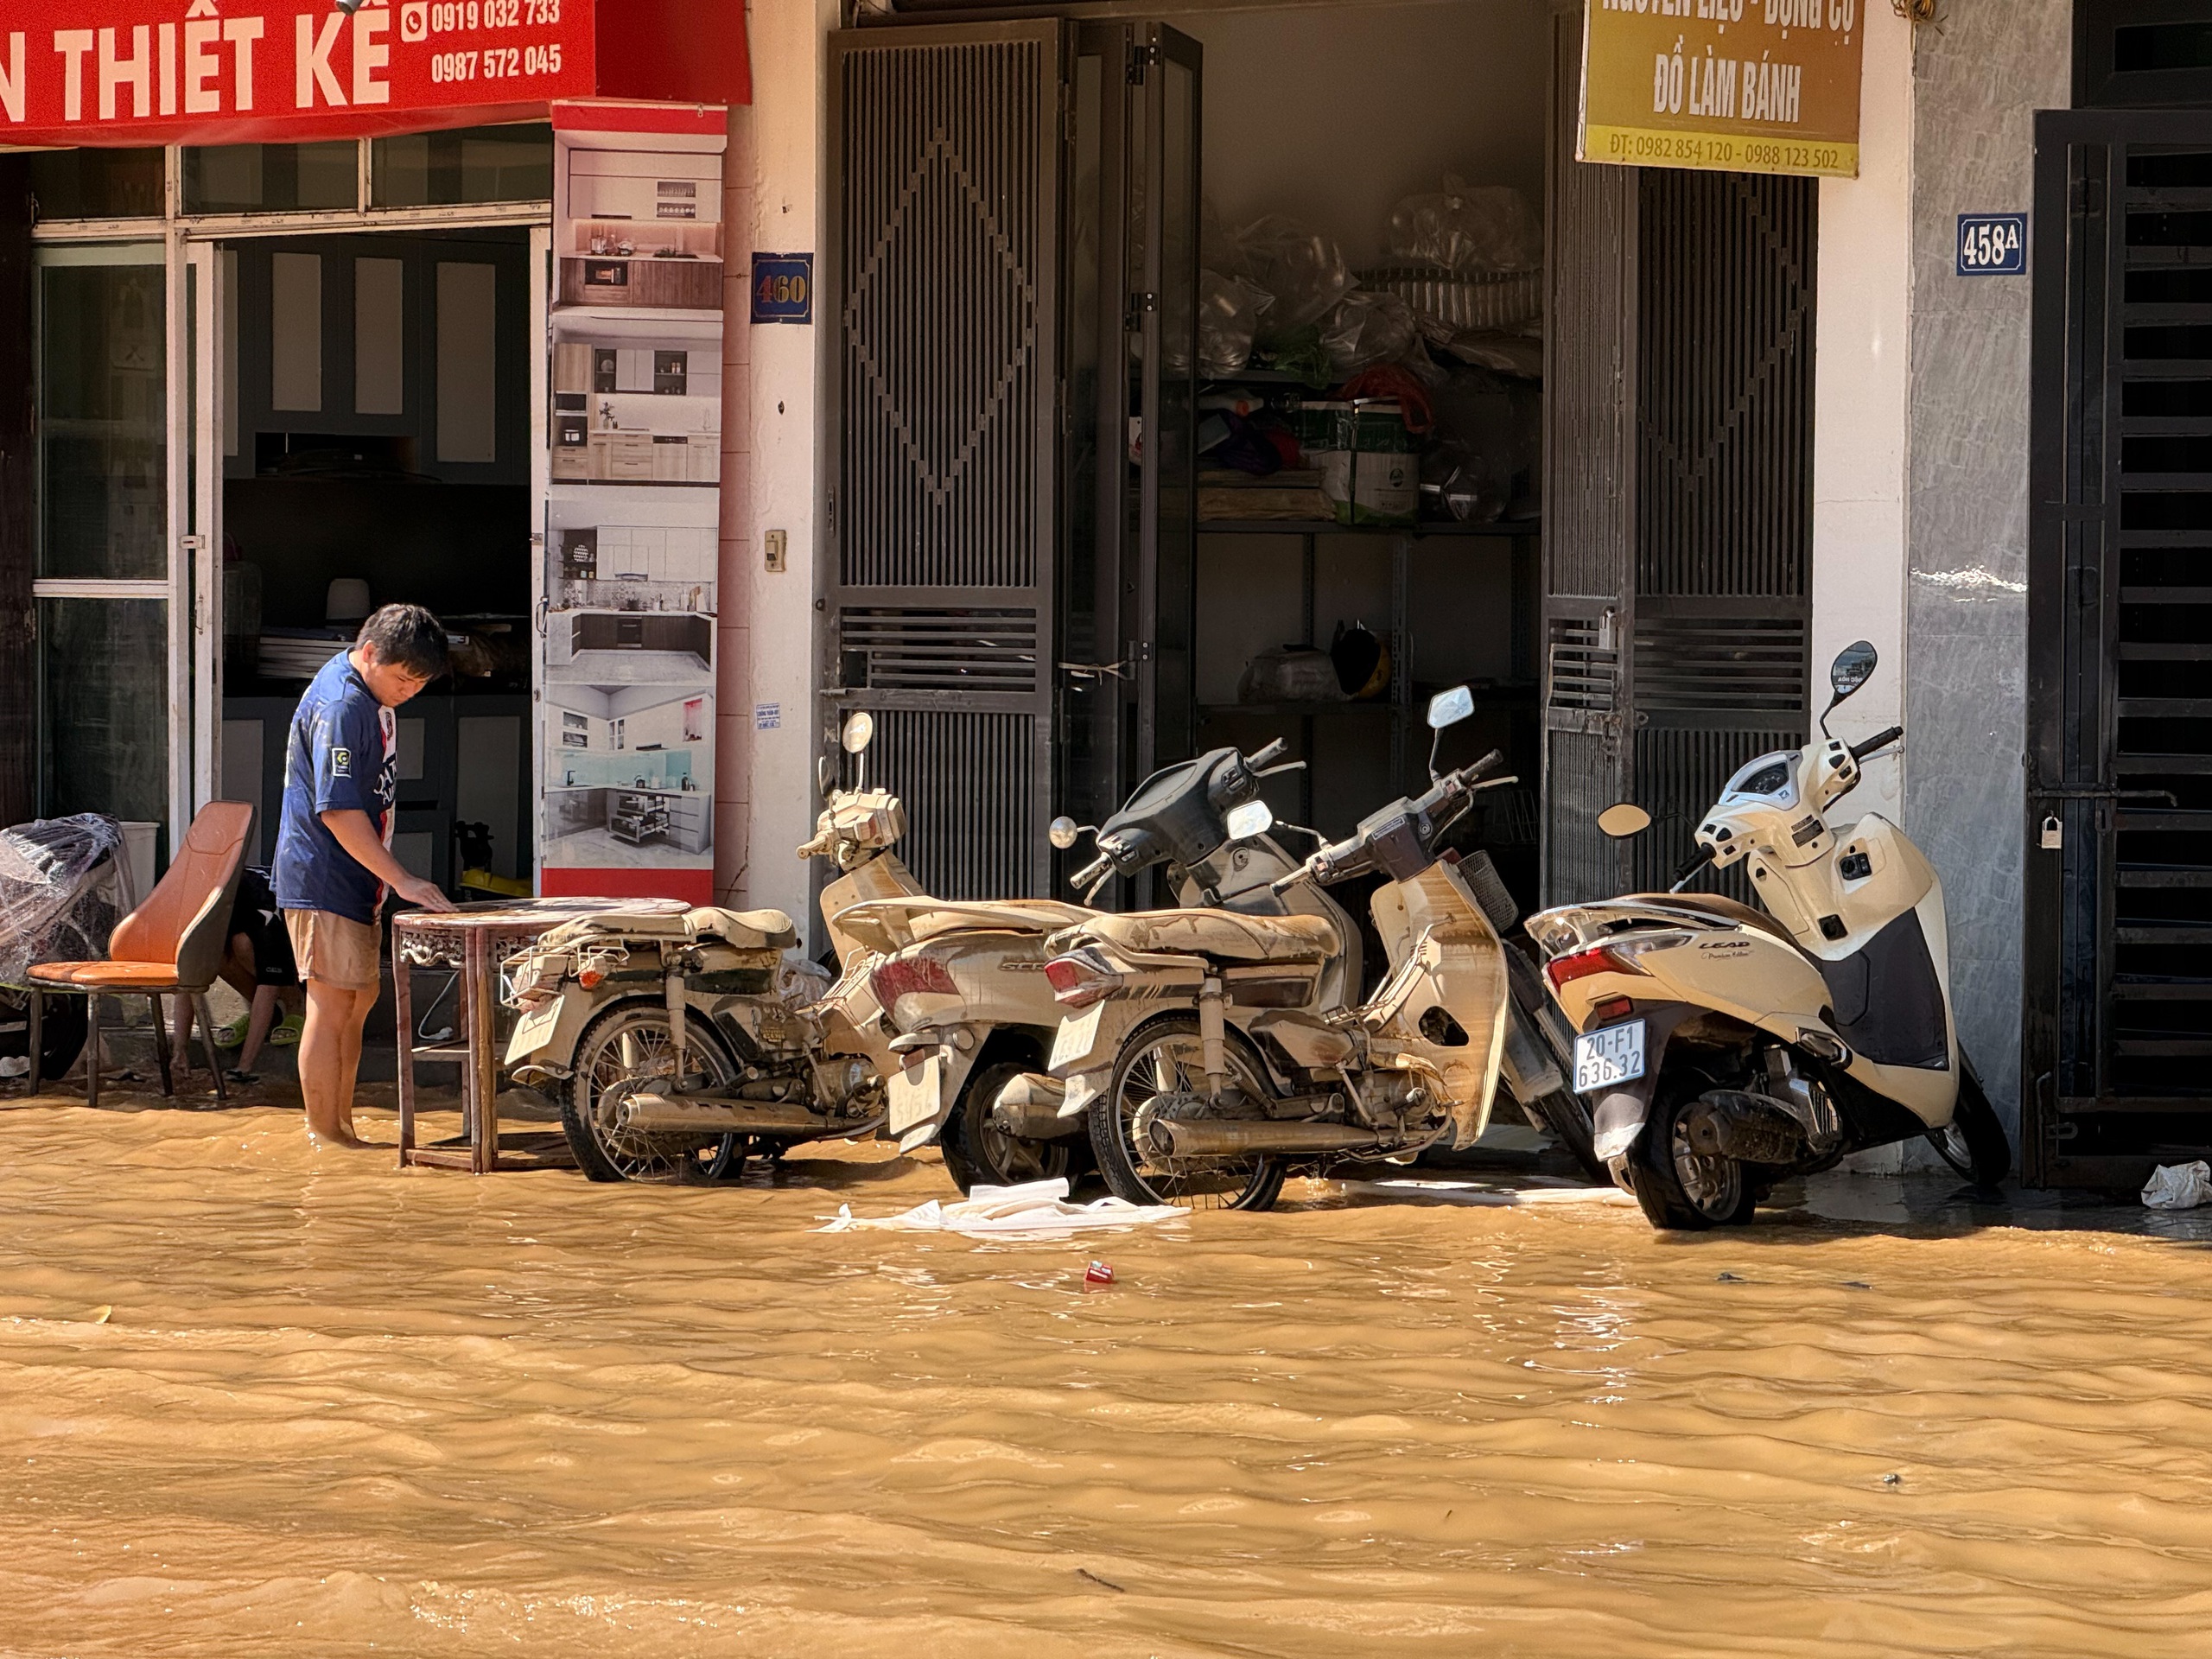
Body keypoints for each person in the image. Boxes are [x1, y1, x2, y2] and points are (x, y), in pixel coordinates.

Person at [272, 604, 456, 1146]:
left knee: (355, 1003)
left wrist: (385, 880)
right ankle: (325, 1136)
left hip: (355, 877)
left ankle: (342, 1127)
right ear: (370, 652)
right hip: (324, 874)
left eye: (420, 683)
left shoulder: (366, 692)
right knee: (331, 1006)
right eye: (403, 679)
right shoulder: (343, 705)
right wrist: (404, 880)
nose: (409, 691)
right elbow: (338, 810)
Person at [170, 865, 305, 1082]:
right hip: (239, 916)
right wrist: (180, 1050)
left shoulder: (260, 904)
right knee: (217, 955)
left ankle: (295, 1005)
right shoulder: (195, 909)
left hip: (290, 940)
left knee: (242, 944)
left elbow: (269, 982)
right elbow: (187, 980)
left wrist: (243, 1067)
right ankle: (267, 1018)